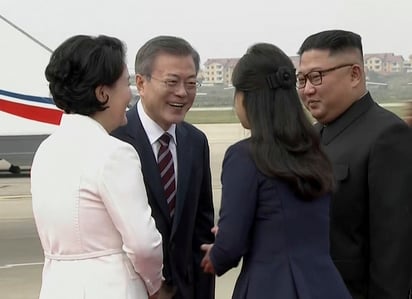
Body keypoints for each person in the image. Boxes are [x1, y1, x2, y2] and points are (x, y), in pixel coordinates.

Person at [200, 43, 351, 299]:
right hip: (325, 285)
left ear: (247, 98)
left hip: (271, 286)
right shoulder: (315, 152)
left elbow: (230, 246)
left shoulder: (244, 156)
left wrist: (214, 255)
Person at [31, 35, 163, 299]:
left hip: (57, 287)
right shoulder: (114, 153)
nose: (129, 94)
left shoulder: (45, 150)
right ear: (103, 93)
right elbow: (143, 244)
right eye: (125, 83)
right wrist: (155, 284)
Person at [297, 29, 412, 299]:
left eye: (317, 77)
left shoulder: (387, 136)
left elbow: (392, 254)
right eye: (301, 79)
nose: (307, 89)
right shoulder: (311, 138)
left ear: (354, 75)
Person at [111, 36, 215, 299]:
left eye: (191, 83)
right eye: (171, 82)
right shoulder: (114, 139)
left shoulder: (195, 141)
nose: (182, 92)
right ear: (141, 83)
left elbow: (202, 231)